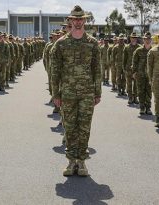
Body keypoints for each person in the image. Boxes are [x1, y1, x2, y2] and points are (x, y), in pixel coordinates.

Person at [50, 5, 101, 177]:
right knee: (70, 128)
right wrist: (55, 94)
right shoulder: (61, 44)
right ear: (70, 21)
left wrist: (97, 92)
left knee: (84, 128)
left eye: (81, 19)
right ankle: (71, 162)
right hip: (68, 93)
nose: (78, 22)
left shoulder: (92, 43)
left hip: (87, 93)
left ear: (84, 21)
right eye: (75, 19)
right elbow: (54, 71)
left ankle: (82, 161)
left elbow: (97, 69)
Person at [132, 32, 152, 115]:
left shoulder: (153, 51)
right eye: (146, 39)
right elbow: (134, 62)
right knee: (141, 91)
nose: (147, 40)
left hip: (150, 75)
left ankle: (148, 107)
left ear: (151, 40)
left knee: (149, 91)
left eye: (149, 39)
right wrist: (134, 72)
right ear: (143, 40)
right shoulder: (138, 50)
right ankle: (142, 107)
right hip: (140, 75)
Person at [123, 32, 140, 104]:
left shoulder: (139, 47)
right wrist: (124, 68)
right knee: (129, 84)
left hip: (136, 69)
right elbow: (124, 59)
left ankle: (135, 98)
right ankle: (130, 98)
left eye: (135, 38)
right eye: (132, 38)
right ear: (130, 38)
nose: (134, 39)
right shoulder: (126, 47)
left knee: (136, 85)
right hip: (128, 69)